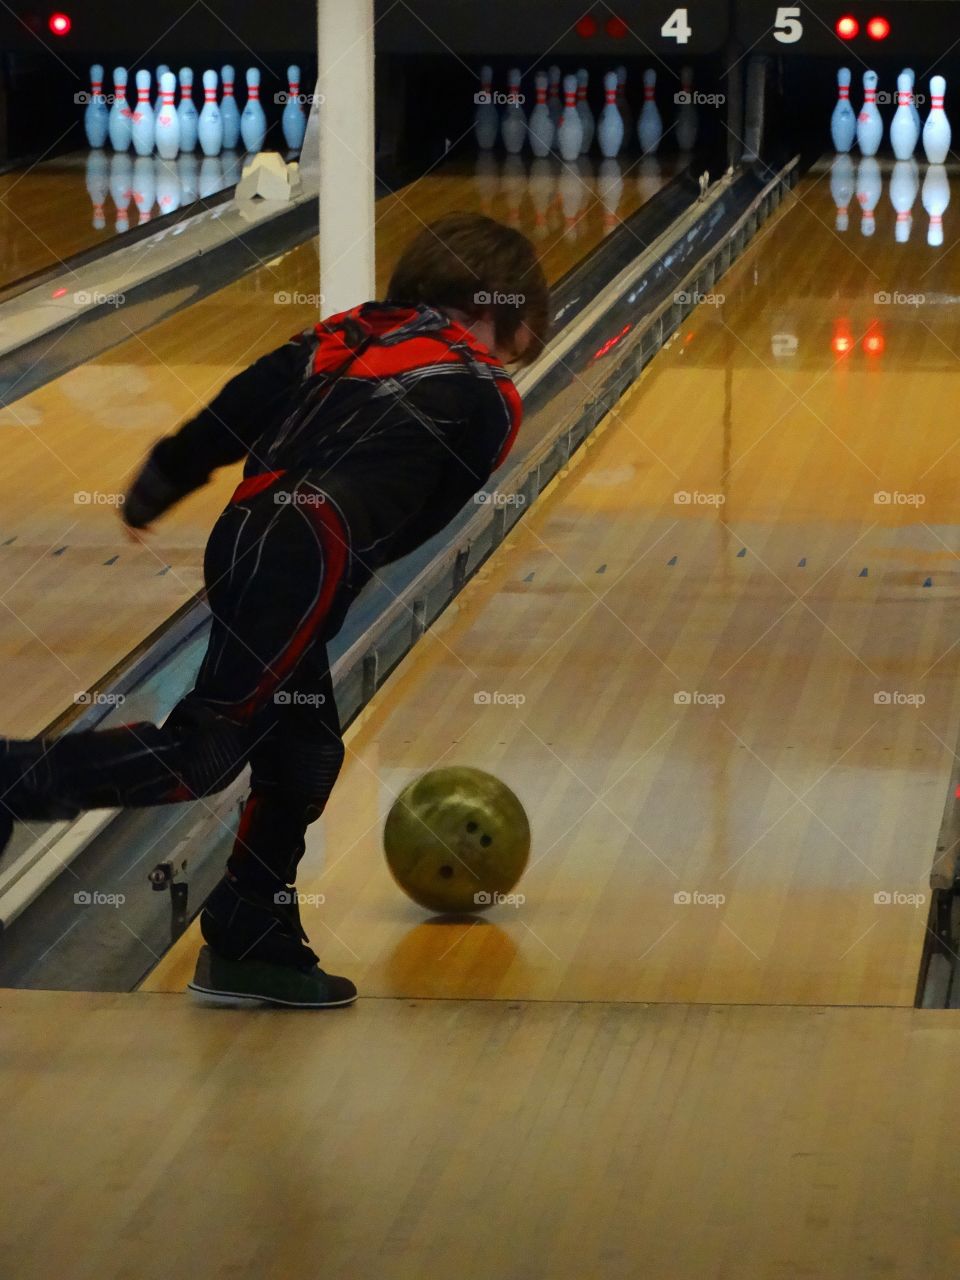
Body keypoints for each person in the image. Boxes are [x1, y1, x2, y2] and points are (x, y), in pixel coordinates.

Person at [0, 213, 549, 1009]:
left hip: (245, 533)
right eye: (520, 342)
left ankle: (251, 933)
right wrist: (321, 592)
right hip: (308, 550)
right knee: (206, 753)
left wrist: (163, 477)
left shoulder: (341, 333)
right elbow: (410, 523)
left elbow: (232, 409)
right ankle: (13, 778)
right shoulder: (491, 398)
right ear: (501, 310)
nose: (515, 360)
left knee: (304, 750)